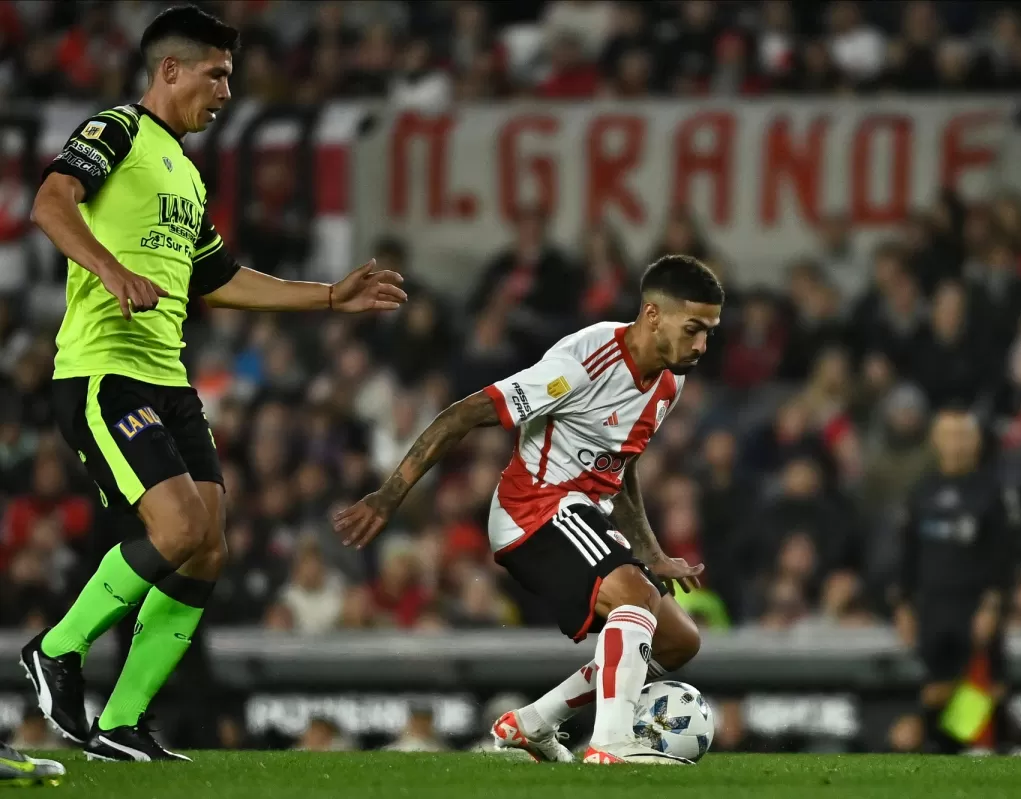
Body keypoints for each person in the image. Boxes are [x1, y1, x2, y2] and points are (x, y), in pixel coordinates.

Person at [20, 6, 405, 763]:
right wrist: (111, 268)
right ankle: (56, 650)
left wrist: (331, 296)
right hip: (105, 371)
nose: (228, 90)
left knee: (209, 545)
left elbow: (220, 279)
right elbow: (49, 203)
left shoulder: (186, 175)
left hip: (167, 377)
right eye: (217, 73)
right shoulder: (116, 132)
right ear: (170, 70)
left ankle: (123, 722)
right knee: (179, 529)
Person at [336, 254, 724, 765]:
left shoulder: (669, 383)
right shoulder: (583, 363)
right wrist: (390, 494)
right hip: (533, 509)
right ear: (653, 314)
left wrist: (653, 553)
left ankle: (534, 723)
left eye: (710, 333)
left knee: (679, 640)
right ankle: (609, 743)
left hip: (583, 513)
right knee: (635, 599)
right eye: (693, 328)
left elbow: (621, 468)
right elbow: (462, 414)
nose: (701, 345)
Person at [893, 410, 1018, 754]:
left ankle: (981, 755)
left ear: (975, 443)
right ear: (935, 441)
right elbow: (908, 554)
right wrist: (903, 604)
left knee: (982, 688)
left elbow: (1003, 559)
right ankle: (944, 754)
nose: (956, 444)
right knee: (934, 690)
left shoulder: (990, 494)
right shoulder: (921, 492)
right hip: (933, 606)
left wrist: (992, 605)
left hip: (973, 605)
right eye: (948, 435)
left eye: (963, 435)